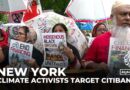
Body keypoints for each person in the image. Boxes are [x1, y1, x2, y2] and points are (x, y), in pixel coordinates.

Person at [82, 0, 130, 71]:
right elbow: (85, 62)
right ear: (112, 17)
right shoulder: (98, 40)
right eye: (123, 14)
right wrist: (96, 66)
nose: (128, 18)